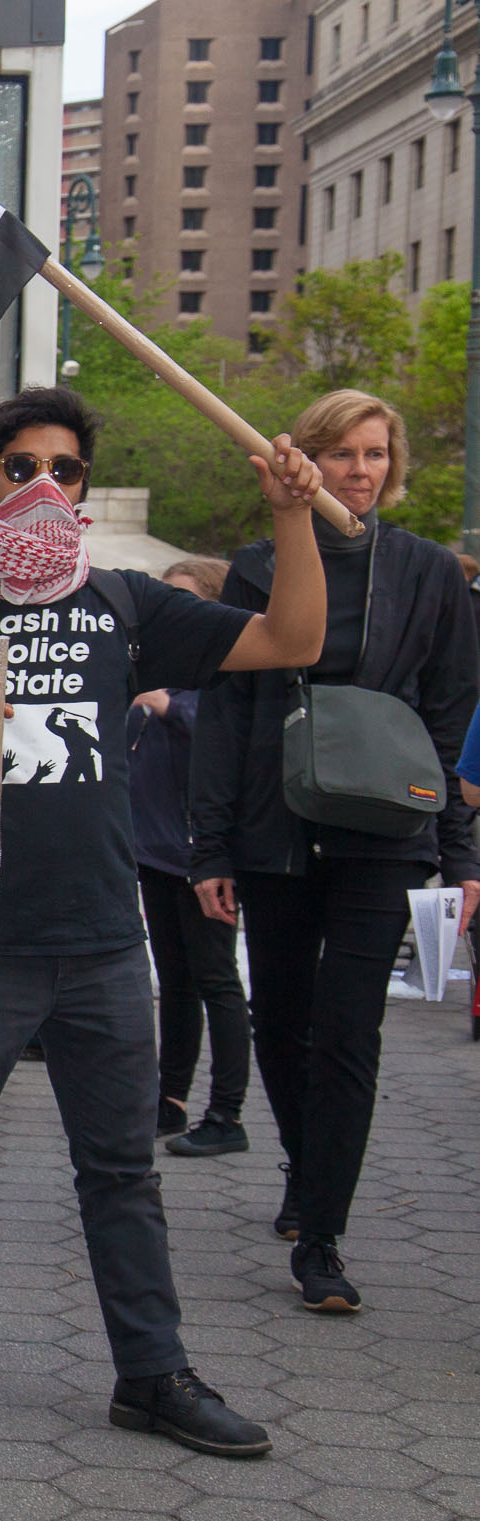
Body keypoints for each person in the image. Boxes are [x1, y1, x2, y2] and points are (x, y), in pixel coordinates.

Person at [0, 386, 326, 1461]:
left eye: (66, 469)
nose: (44, 487)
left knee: (121, 1172)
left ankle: (151, 1373)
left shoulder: (126, 603)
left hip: (102, 944)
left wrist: (289, 513)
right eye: (21, 468)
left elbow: (293, 634)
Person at [189, 389, 480, 1315]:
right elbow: (227, 714)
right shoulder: (258, 566)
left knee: (351, 1032)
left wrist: (463, 856)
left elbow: (448, 717)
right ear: (307, 458)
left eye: (377, 454)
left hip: (385, 831)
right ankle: (304, 1170)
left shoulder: (432, 574)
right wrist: (210, 848)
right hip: (277, 825)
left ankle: (322, 1238)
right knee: (280, 1020)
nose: (362, 470)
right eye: (345, 453)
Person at [129, 558, 254, 1156]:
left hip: (201, 856)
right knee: (175, 982)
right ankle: (170, 1099)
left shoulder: (215, 676)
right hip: (155, 852)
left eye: (183, 600)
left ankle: (227, 1112)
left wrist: (164, 705)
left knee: (216, 981)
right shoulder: (163, 669)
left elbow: (220, 735)